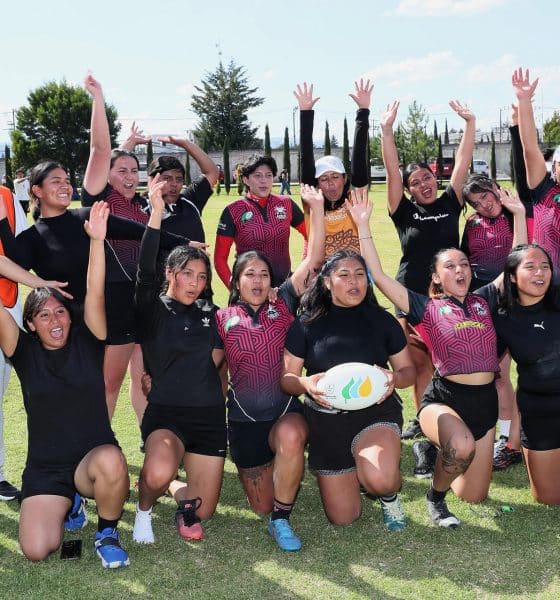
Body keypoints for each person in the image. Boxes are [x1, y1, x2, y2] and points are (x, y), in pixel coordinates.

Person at [346, 188, 526, 528]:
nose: (459, 270)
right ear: (436, 277)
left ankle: (433, 450)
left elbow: (514, 261)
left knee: (474, 494)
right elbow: (381, 276)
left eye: (463, 264)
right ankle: (435, 498)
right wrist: (364, 226)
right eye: (449, 266)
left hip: (484, 402)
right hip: (444, 399)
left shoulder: (484, 300)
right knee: (460, 444)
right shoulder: (426, 307)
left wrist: (517, 215)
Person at [0, 202, 130, 568]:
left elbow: (95, 291)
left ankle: (106, 532)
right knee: (38, 549)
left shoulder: (89, 340)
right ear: (30, 324)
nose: (55, 320)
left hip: (92, 462)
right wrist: (33, 281)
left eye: (60, 312)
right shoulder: (21, 351)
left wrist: (97, 243)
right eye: (43, 315)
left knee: (111, 460)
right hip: (46, 468)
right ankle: (70, 504)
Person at [281, 204, 416, 532]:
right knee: (343, 518)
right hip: (327, 424)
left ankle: (387, 495)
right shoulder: (306, 324)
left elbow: (408, 372)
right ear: (327, 282)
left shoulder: (381, 319)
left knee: (382, 480)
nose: (354, 282)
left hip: (375, 414)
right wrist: (307, 385)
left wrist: (391, 378)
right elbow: (287, 379)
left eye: (360, 274)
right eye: (344, 275)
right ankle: (358, 467)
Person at [215, 183, 325, 552]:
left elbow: (313, 259)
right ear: (236, 281)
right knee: (260, 505)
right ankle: (276, 482)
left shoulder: (284, 304)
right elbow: (213, 368)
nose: (259, 281)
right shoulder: (221, 318)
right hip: (244, 420)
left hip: (284, 411)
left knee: (292, 438)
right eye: (250, 275)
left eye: (264, 274)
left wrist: (316, 209)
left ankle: (283, 517)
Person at [80, 74, 191, 424]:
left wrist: (127, 146)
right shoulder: (100, 201)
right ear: (105, 175)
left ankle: (150, 437)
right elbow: (100, 151)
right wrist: (99, 99)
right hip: (114, 300)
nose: (130, 175)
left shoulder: (142, 204)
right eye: (121, 170)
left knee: (144, 377)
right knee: (108, 381)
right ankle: (99, 442)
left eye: (135, 169)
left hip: (144, 299)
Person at [132, 175, 225, 545]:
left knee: (204, 510)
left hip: (207, 418)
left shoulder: (211, 311)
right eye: (187, 274)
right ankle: (144, 511)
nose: (194, 282)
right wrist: (155, 215)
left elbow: (218, 357)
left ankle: (174, 486)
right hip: (166, 413)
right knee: (156, 470)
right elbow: (143, 272)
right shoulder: (151, 308)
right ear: (170, 274)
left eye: (201, 277)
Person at [380, 98, 476, 443]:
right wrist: (386, 130)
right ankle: (422, 419)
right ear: (407, 190)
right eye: (416, 182)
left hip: (448, 295)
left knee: (446, 362)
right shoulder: (403, 211)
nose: (424, 184)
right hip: (411, 295)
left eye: (428, 178)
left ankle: (449, 413)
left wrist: (469, 123)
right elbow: (392, 170)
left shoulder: (452, 202)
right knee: (418, 364)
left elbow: (463, 160)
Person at [490, 243, 560, 505]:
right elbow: (483, 363)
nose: (539, 273)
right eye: (530, 267)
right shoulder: (503, 317)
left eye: (545, 267)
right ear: (511, 275)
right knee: (548, 498)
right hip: (539, 413)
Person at [294, 80, 371, 256]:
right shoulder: (312, 203)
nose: (330, 184)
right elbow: (305, 158)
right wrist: (305, 114)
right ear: (317, 184)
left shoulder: (355, 200)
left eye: (335, 177)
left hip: (353, 271)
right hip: (321, 275)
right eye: (324, 179)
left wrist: (363, 112)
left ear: (345, 179)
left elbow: (359, 158)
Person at [214, 154, 307, 288]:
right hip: (250, 291)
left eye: (268, 175)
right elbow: (219, 259)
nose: (264, 181)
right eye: (257, 175)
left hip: (284, 290)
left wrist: (304, 266)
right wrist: (236, 289)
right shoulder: (233, 211)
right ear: (245, 180)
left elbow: (312, 235)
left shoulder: (286, 204)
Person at [512, 68, 560, 276]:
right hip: (545, 286)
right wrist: (524, 101)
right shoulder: (544, 189)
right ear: (554, 167)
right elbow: (530, 148)